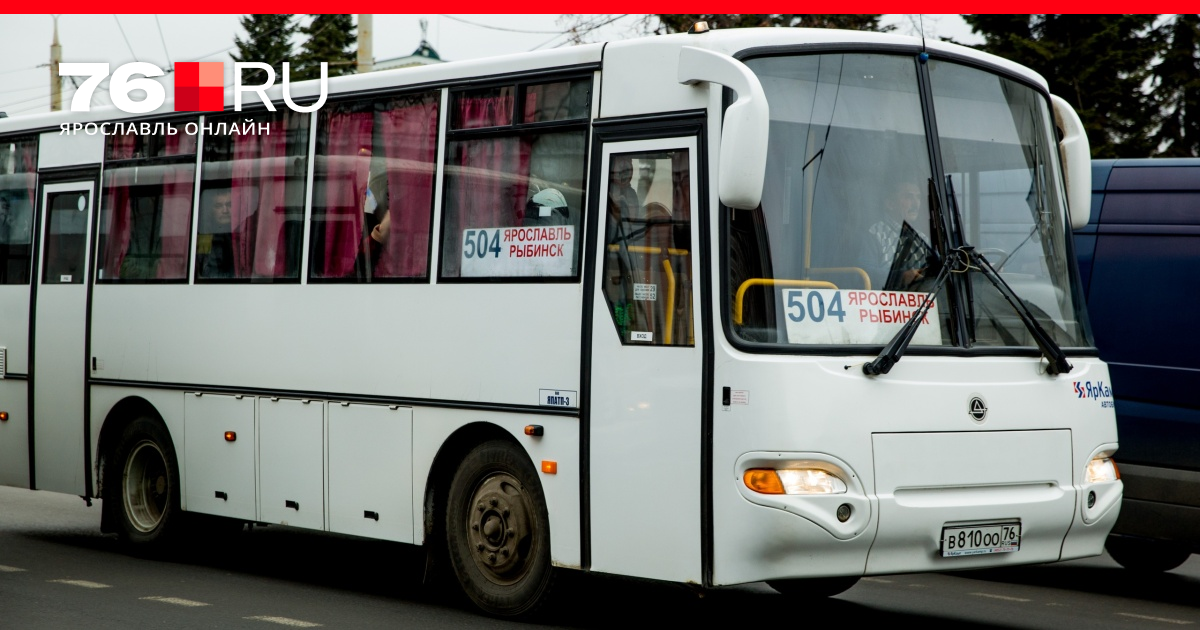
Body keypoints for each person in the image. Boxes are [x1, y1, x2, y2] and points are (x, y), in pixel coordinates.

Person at [866, 180, 931, 290]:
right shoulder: (875, 232)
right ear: (890, 204)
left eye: (918, 197)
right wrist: (902, 276)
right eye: (908, 197)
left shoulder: (923, 239)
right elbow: (864, 272)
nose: (916, 204)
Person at [197, 189, 234, 279]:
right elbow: (206, 271)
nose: (225, 210)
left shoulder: (242, 235)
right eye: (218, 206)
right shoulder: (205, 236)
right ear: (211, 210)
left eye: (229, 205)